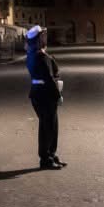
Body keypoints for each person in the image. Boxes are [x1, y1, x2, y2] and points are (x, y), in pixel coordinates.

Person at [25, 25, 64, 170]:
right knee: (47, 128)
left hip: (40, 94)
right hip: (45, 95)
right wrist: (58, 95)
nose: (45, 38)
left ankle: (51, 155)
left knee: (51, 126)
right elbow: (48, 78)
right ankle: (45, 159)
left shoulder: (34, 55)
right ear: (38, 39)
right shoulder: (41, 57)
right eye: (43, 36)